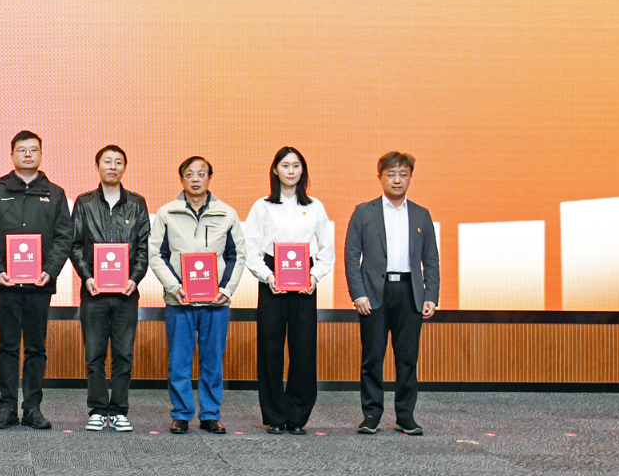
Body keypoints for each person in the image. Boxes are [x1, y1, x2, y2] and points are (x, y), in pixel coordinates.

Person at [0, 130, 74, 430]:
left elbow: (64, 235)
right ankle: (7, 407)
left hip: (39, 284)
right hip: (6, 283)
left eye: (33, 149)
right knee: (7, 346)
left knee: (35, 347)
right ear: (12, 155)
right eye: (22, 150)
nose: (28, 154)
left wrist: (51, 269)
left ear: (41, 154)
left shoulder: (55, 193)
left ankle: (32, 408)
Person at [148, 156, 245, 435]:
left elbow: (236, 255)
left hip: (216, 302)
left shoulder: (226, 213)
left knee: (212, 361)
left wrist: (226, 290)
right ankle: (181, 414)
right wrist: (174, 287)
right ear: (181, 179)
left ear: (209, 178)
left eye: (201, 173)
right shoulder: (167, 213)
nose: (195, 179)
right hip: (180, 301)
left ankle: (211, 415)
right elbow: (156, 254)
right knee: (179, 362)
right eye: (189, 174)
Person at [345, 151, 440, 436]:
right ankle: (371, 414)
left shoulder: (421, 214)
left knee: (407, 358)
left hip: (410, 292)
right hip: (375, 292)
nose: (397, 180)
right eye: (391, 174)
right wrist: (358, 293)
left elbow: (431, 259)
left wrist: (431, 295)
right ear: (380, 177)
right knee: (372, 357)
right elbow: (352, 256)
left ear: (411, 178)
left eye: (403, 174)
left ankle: (405, 415)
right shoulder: (364, 212)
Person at [244, 146, 334, 434]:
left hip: (305, 280)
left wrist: (315, 275)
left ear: (302, 170)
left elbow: (326, 249)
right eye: (285, 165)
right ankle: (274, 415)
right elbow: (251, 250)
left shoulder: (315, 206)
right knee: (270, 348)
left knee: (303, 348)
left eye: (296, 165)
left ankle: (297, 416)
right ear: (275, 170)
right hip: (272, 279)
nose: (291, 171)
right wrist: (268, 276)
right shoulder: (262, 206)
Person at [69, 144, 150, 433]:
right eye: (107, 161)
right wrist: (87, 276)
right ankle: (97, 409)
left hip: (126, 293)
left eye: (118, 162)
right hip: (94, 293)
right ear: (98, 167)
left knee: (123, 354)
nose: (112, 166)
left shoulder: (137, 204)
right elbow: (75, 245)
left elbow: (144, 247)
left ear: (124, 167)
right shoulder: (84, 203)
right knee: (94, 354)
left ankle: (119, 410)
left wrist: (135, 278)